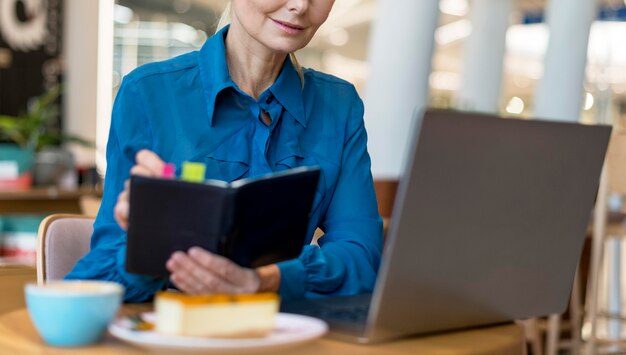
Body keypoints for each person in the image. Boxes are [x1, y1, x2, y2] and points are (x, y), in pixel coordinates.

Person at [66, 0, 383, 302]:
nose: (300, 5)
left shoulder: (339, 106)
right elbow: (94, 281)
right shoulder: (148, 94)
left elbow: (362, 258)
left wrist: (268, 280)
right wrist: (146, 242)